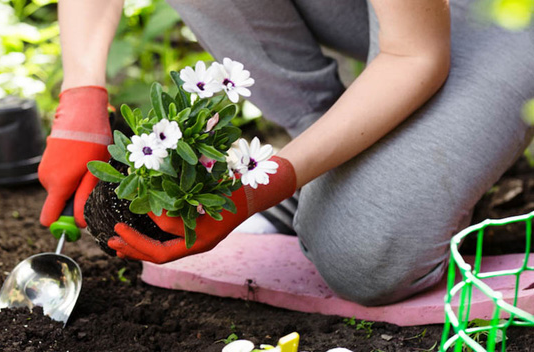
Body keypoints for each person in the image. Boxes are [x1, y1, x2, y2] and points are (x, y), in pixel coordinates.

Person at [37, 0, 534, 306]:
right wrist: (81, 98)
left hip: (507, 15)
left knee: (361, 256)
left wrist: (259, 190)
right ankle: (328, 161)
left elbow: (415, 53)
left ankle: (348, 183)